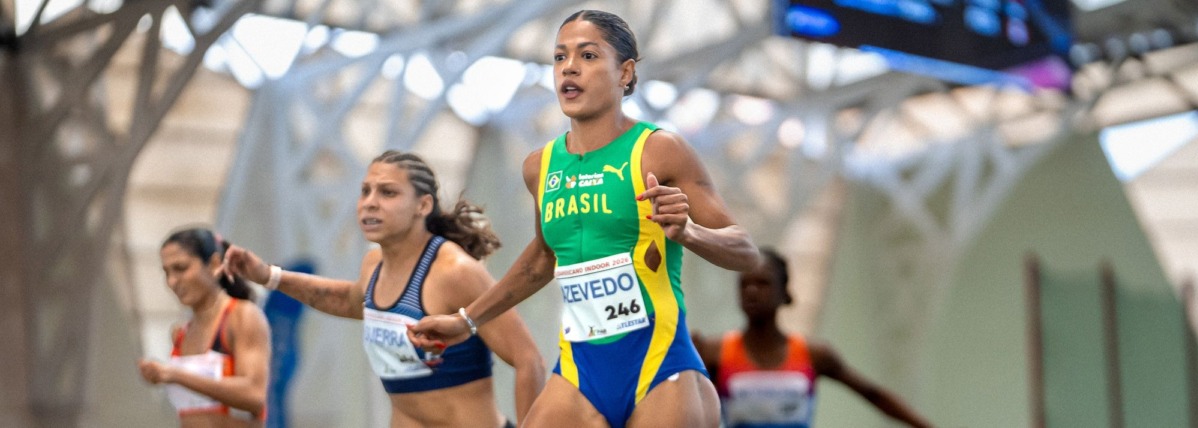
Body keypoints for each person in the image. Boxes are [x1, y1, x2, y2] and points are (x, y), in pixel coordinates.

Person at [408, 9, 761, 428]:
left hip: (661, 369)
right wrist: (467, 320)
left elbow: (746, 252)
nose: (569, 67)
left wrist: (690, 232)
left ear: (625, 73)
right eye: (560, 58)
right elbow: (542, 259)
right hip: (580, 372)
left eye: (589, 56)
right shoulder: (540, 167)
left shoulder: (658, 150)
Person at [219, 151, 545, 428]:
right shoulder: (373, 266)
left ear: (423, 205)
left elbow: (528, 360)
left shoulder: (454, 272)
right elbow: (348, 300)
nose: (369, 204)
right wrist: (269, 276)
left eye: (387, 193)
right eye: (365, 191)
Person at [692, 248, 933, 428]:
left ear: (785, 293)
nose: (752, 291)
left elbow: (874, 395)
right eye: (744, 285)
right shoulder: (715, 352)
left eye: (762, 283)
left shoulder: (814, 354)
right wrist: (685, 362)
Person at [138, 227, 271, 427]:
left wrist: (175, 375)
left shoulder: (241, 316)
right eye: (167, 272)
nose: (173, 281)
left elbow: (253, 394)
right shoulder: (180, 333)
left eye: (181, 268)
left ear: (215, 264)